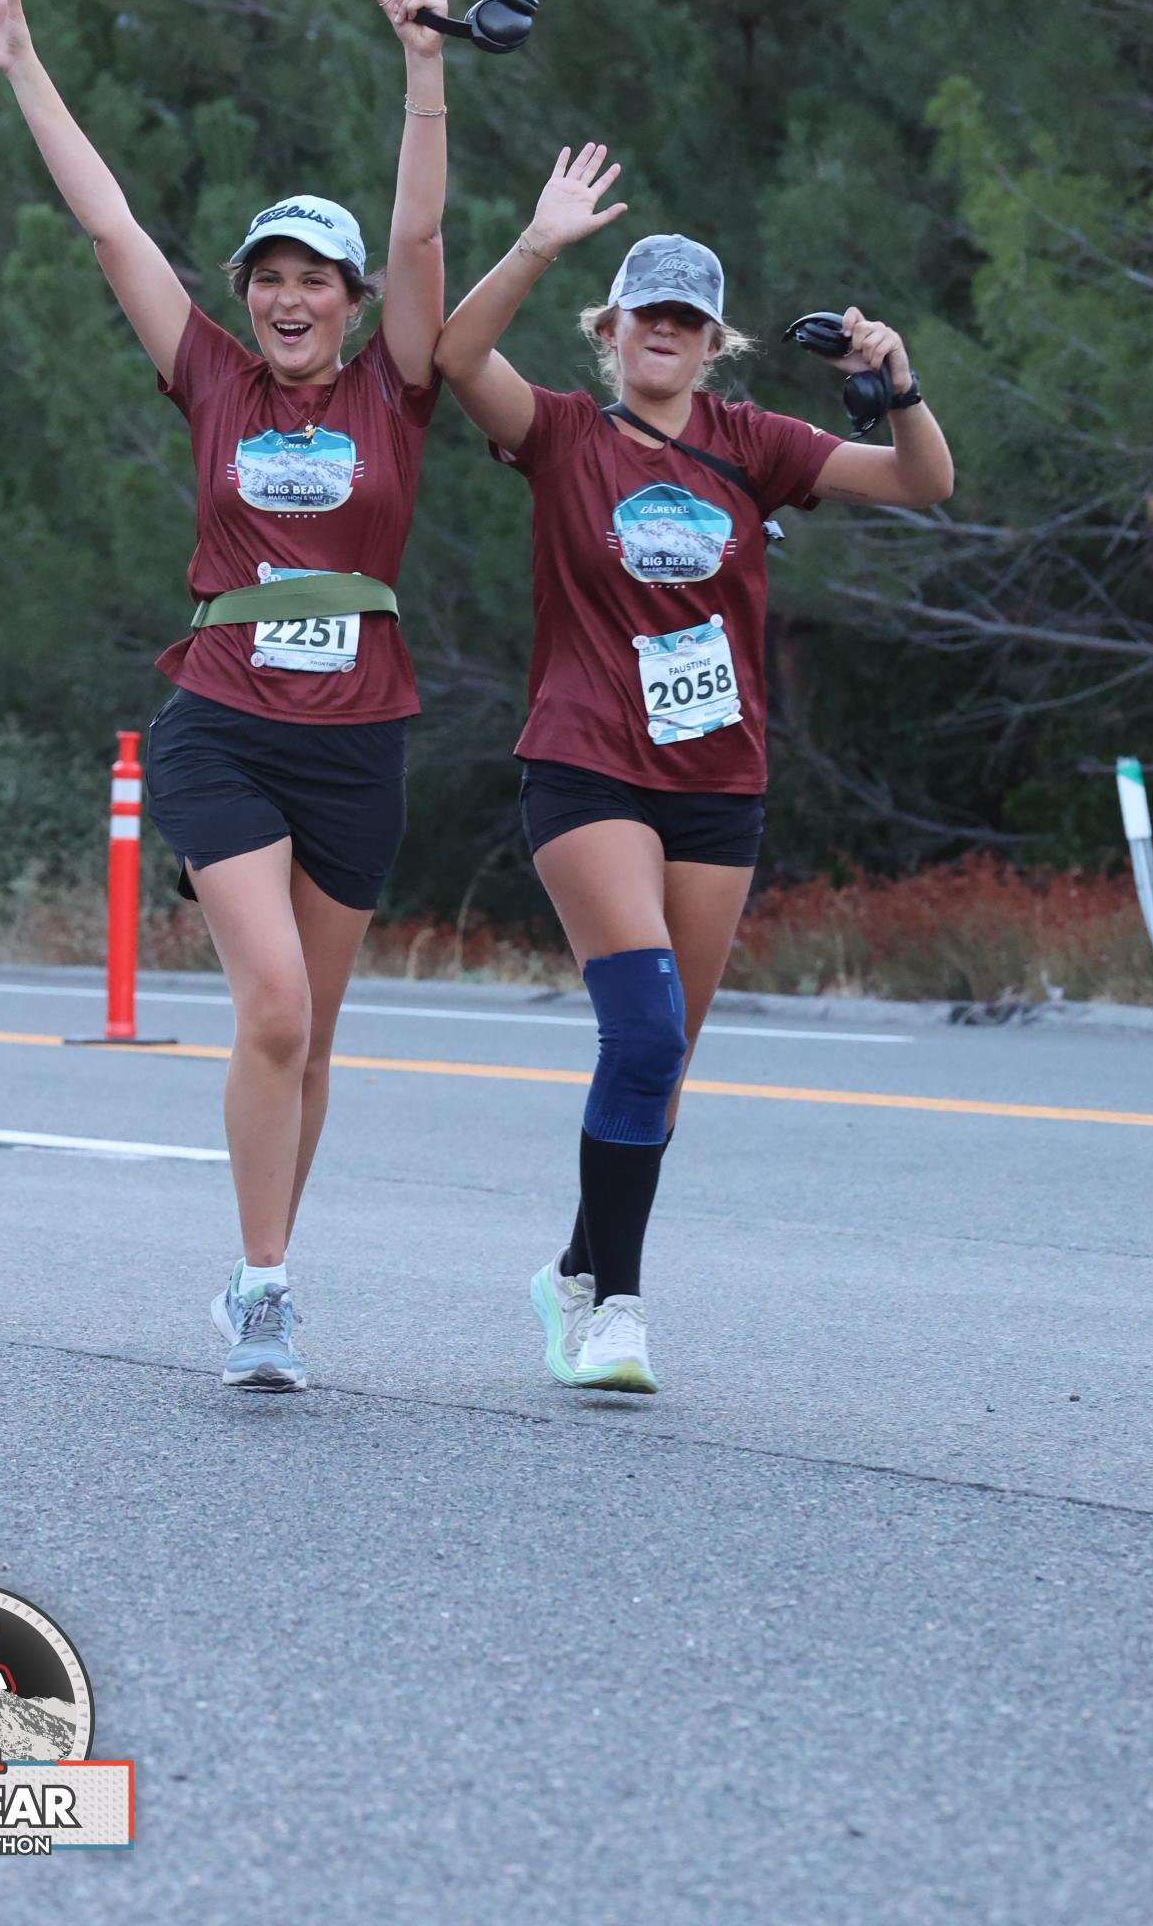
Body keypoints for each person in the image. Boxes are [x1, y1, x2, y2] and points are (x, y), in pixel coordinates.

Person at [0, 0, 452, 1391]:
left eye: (316, 279)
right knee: (274, 1008)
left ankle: (262, 1271)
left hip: (359, 735)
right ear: (248, 296)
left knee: (315, 1039)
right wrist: (23, 66)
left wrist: (424, 69)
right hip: (222, 724)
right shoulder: (215, 380)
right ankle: (266, 1291)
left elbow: (423, 240)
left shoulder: (397, 388)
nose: (289, 298)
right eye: (268, 278)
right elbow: (112, 227)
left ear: (352, 299)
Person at [435, 146, 955, 1392]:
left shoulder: (751, 442)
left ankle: (573, 1267)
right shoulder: (563, 436)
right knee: (645, 1026)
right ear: (608, 329)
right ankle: (614, 1309)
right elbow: (454, 358)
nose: (662, 331)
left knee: (659, 1061)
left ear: (713, 342)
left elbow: (923, 480)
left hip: (717, 783)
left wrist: (895, 384)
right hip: (586, 771)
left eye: (685, 318)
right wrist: (539, 241)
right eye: (643, 314)